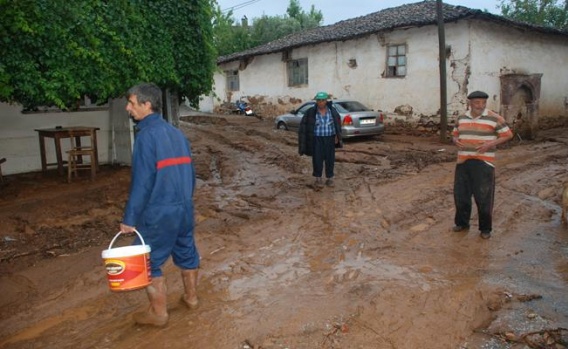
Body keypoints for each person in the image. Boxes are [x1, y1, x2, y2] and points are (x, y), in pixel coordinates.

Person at [120, 83, 199, 327]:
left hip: (160, 213)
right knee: (187, 252)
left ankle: (158, 314)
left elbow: (142, 182)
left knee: (147, 262)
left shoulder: (146, 137)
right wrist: (185, 200)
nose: (128, 108)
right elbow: (192, 174)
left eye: (132, 103)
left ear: (147, 105)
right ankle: (191, 298)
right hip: (184, 208)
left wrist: (130, 219)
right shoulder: (177, 134)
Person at [452, 90, 513, 239]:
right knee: (461, 195)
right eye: (477, 102)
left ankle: (485, 229)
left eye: (483, 102)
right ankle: (462, 223)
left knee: (484, 196)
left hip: (484, 162)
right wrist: (455, 140)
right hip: (463, 161)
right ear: (470, 103)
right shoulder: (461, 117)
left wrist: (491, 143)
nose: (480, 105)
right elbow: (455, 133)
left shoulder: (494, 118)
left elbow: (508, 134)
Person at [298, 91, 343, 189]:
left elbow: (337, 123)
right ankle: (318, 178)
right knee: (317, 158)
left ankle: (330, 178)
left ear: (326, 101)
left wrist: (337, 136)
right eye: (318, 100)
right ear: (316, 101)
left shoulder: (332, 111)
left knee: (330, 159)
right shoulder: (311, 112)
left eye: (323, 100)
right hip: (317, 139)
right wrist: (305, 140)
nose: (321, 102)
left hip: (330, 138)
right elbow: (303, 126)